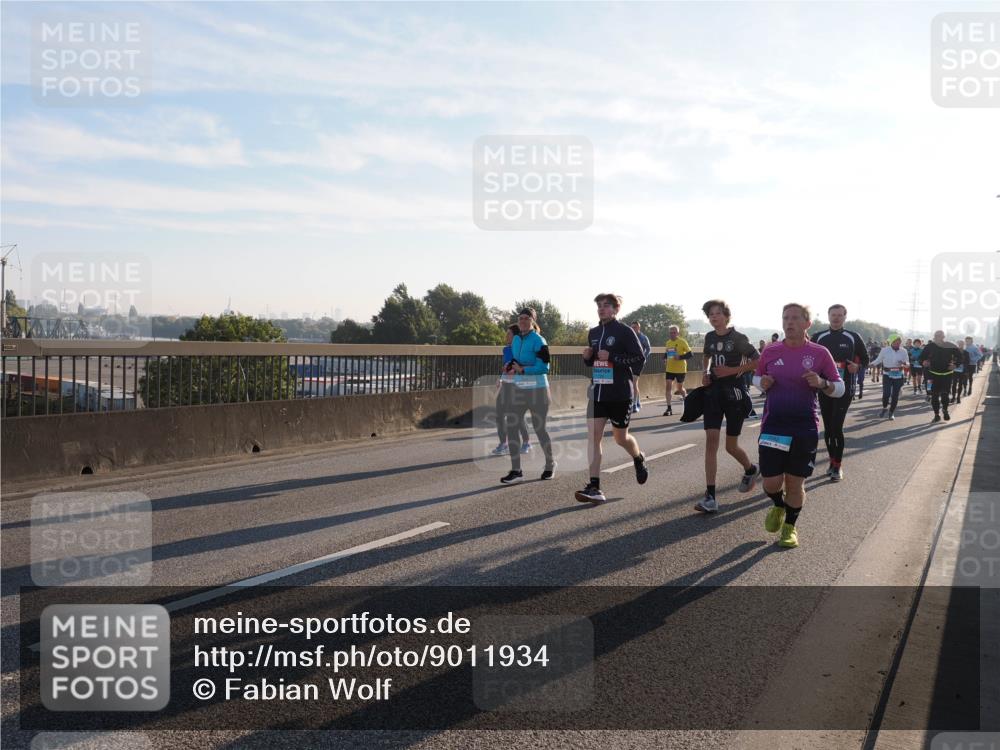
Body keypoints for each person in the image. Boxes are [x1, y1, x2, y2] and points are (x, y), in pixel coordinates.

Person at [755, 303, 844, 548]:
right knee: (771, 482)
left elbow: (840, 387)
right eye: (785, 318)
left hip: (804, 426)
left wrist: (822, 383)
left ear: (807, 323)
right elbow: (756, 377)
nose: (789, 322)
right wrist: (761, 382)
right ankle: (777, 504)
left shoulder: (819, 353)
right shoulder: (771, 351)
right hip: (774, 424)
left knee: (795, 482)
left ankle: (790, 527)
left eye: (795, 318)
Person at [576, 294, 649, 504]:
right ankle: (594, 486)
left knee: (620, 438)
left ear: (616, 309)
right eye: (599, 305)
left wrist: (614, 358)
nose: (601, 309)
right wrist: (587, 357)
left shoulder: (624, 331)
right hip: (598, 393)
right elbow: (594, 363)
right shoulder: (594, 333)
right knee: (593, 437)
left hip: (619, 394)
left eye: (606, 305)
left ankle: (638, 457)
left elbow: (639, 358)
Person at [694, 299, 760, 514]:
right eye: (710, 315)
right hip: (713, 394)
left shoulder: (738, 338)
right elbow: (707, 356)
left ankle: (750, 469)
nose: (713, 317)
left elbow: (758, 361)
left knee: (730, 446)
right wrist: (706, 373)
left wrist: (730, 371)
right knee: (710, 442)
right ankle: (710, 496)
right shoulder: (710, 337)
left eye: (717, 313)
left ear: (726, 316)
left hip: (735, 394)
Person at [810, 304, 869, 481]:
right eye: (833, 315)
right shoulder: (819, 337)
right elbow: (809, 358)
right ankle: (831, 461)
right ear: (828, 316)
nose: (836, 318)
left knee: (837, 427)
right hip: (824, 387)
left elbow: (866, 359)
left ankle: (838, 466)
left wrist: (857, 367)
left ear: (845, 317)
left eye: (839, 315)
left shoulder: (853, 337)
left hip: (845, 388)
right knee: (828, 428)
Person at [499, 308, 556, 484]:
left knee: (540, 429)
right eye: (520, 318)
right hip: (520, 388)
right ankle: (516, 470)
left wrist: (523, 369)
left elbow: (544, 367)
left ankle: (550, 464)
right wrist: (510, 365)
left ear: (532, 321)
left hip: (538, 390)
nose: (522, 321)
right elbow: (516, 360)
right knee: (512, 425)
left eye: (526, 318)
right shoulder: (516, 339)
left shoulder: (539, 340)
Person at [493, 324, 531, 455]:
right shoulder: (505, 350)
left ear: (515, 337)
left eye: (509, 333)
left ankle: (526, 442)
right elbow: (505, 367)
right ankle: (503, 443)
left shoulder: (522, 350)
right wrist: (500, 378)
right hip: (505, 385)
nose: (506, 336)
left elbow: (526, 366)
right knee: (499, 415)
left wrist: (516, 369)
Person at [921, 331, 959, 423]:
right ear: (934, 337)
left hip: (946, 375)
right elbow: (921, 357)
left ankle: (945, 410)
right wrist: (923, 362)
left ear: (944, 337)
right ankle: (936, 415)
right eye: (936, 336)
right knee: (934, 395)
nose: (938, 338)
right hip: (932, 375)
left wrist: (955, 364)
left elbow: (960, 357)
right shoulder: (929, 346)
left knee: (945, 394)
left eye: (940, 336)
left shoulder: (950, 345)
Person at [870, 334, 909, 419]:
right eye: (895, 342)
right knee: (886, 393)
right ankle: (884, 408)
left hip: (898, 375)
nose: (897, 344)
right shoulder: (884, 350)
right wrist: (871, 364)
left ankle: (891, 412)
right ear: (891, 342)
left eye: (899, 342)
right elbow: (878, 360)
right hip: (887, 374)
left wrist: (905, 364)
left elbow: (907, 364)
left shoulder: (904, 351)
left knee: (895, 395)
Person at [662, 325, 692, 416]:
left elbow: (691, 354)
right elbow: (667, 353)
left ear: (678, 333)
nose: (672, 334)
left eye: (674, 332)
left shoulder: (682, 342)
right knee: (668, 386)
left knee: (679, 389)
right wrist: (664, 358)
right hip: (670, 368)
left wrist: (680, 357)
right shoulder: (668, 342)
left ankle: (687, 401)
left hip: (680, 369)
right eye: (671, 333)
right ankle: (669, 408)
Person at [630, 320, 652, 413]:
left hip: (639, 363)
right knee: (633, 383)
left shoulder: (643, 337)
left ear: (639, 328)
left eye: (635, 327)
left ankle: (634, 405)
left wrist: (643, 358)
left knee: (634, 382)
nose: (633, 329)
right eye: (632, 327)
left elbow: (648, 348)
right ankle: (638, 401)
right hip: (630, 362)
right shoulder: (629, 337)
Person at [951, 340, 969, 405]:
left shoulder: (966, 352)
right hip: (955, 370)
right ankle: (953, 397)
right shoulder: (954, 352)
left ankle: (958, 397)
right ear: (957, 344)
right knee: (954, 384)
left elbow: (967, 362)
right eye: (959, 344)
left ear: (964, 345)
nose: (960, 345)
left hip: (962, 370)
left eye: (962, 344)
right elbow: (951, 359)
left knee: (960, 384)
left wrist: (966, 370)